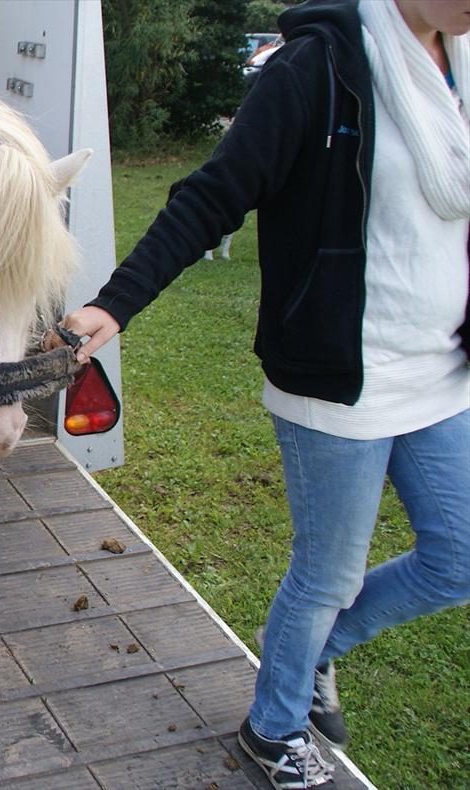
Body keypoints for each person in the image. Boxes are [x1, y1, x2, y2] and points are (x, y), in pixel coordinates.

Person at [48, 0, 469, 787]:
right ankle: (273, 730)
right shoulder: (320, 67)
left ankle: (314, 657)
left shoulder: (461, 66)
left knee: (460, 556)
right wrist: (115, 303)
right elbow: (214, 194)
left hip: (442, 372)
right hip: (339, 376)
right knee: (327, 575)